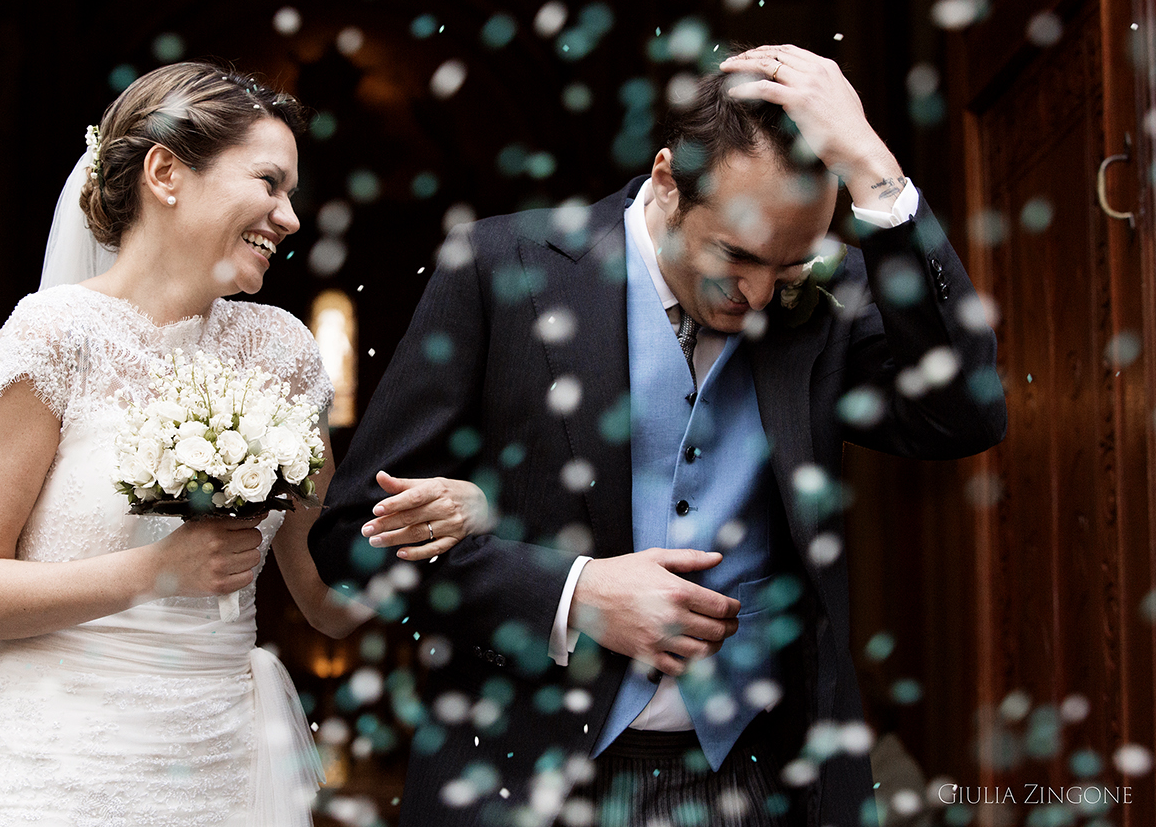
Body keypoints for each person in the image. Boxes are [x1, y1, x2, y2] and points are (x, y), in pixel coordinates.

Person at [310, 45, 1006, 826]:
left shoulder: (827, 292)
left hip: (757, 780)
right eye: (735, 257)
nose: (758, 296)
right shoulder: (501, 267)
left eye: (788, 267)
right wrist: (574, 595)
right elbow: (349, 541)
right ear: (668, 180)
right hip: (523, 775)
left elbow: (964, 411)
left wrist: (878, 173)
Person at [0, 61, 485, 827]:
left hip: (220, 771)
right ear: (166, 172)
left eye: (291, 194)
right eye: (269, 183)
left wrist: (436, 527)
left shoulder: (283, 352)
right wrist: (155, 571)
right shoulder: (52, 339)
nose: (290, 217)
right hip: (52, 772)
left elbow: (326, 601)